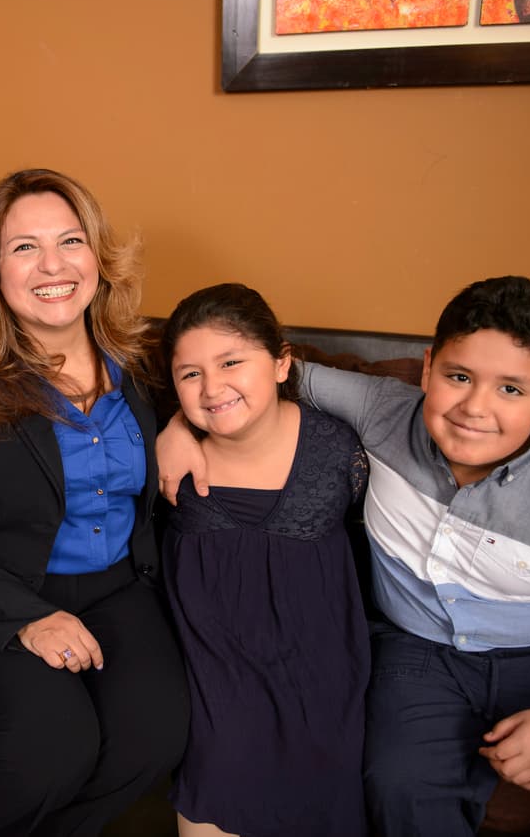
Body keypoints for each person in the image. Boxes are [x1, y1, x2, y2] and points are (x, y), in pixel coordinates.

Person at [160, 276, 530, 836]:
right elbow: (245, 383)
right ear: (427, 370)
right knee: (399, 790)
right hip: (419, 654)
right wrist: (179, 425)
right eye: (458, 377)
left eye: (512, 390)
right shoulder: (381, 411)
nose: (476, 408)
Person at [0, 168, 190, 837]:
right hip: (5, 591)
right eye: (24, 247)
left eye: (71, 241)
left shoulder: (139, 364)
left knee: (155, 738)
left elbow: (235, 391)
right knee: (51, 748)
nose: (52, 265)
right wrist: (28, 618)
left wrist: (184, 429)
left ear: (98, 257)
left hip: (121, 588)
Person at [159, 283, 369, 837]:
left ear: (281, 364)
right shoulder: (166, 461)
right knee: (217, 772)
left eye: (232, 362)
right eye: (191, 374)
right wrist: (174, 428)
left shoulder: (339, 450)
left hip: (319, 671)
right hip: (215, 677)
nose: (212, 387)